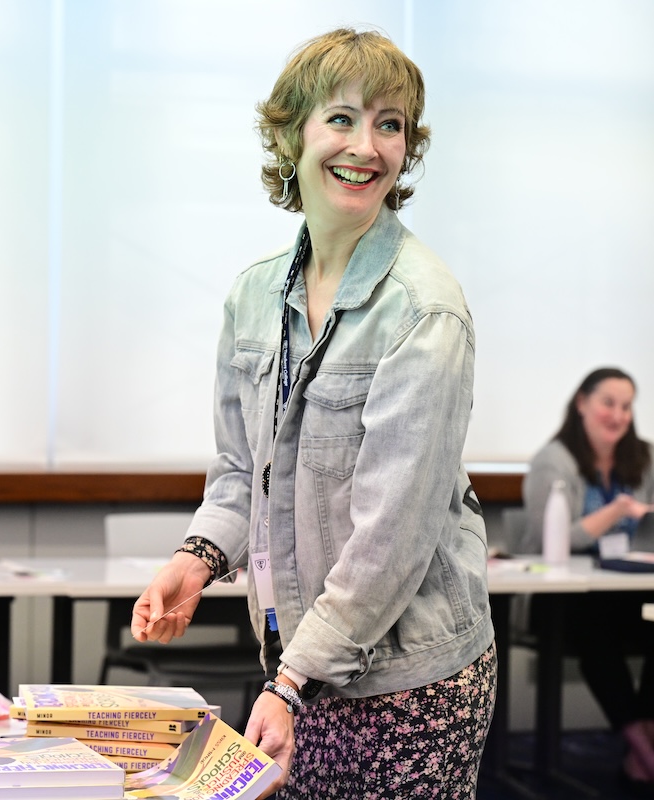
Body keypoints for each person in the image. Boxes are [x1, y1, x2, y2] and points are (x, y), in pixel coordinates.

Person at [129, 28, 495, 798]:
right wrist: (194, 562)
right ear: (292, 134)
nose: (366, 146)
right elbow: (241, 472)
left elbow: (392, 536)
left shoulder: (425, 309)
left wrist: (293, 682)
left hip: (408, 684)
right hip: (298, 667)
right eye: (341, 118)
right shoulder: (254, 297)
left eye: (390, 125)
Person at [523, 367, 654, 789]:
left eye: (626, 406)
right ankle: (645, 752)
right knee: (595, 626)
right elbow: (554, 541)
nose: (617, 415)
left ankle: (644, 748)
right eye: (607, 403)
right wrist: (616, 511)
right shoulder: (554, 460)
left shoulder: (643, 459)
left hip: (624, 593)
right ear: (582, 403)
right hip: (561, 600)